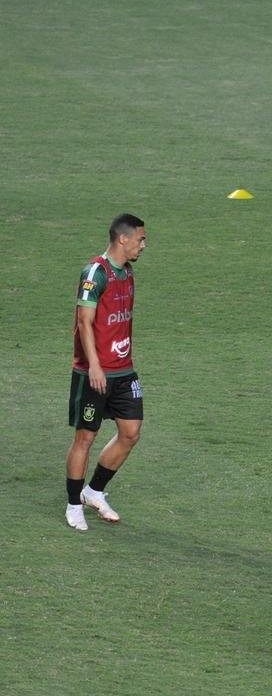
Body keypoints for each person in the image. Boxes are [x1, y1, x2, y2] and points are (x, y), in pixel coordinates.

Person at [65, 213, 147, 531]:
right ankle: (74, 505)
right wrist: (95, 365)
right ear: (122, 239)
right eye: (140, 238)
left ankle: (93, 491)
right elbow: (84, 321)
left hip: (123, 371)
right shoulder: (96, 273)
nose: (143, 244)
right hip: (94, 373)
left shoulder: (127, 273)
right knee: (85, 437)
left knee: (131, 433)